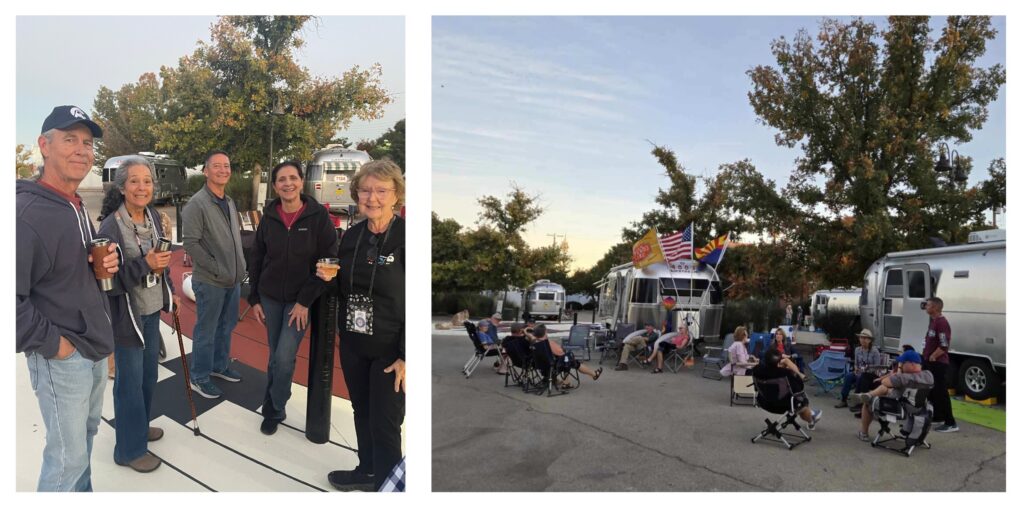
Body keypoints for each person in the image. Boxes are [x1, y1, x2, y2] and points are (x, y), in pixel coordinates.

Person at [16, 105, 120, 491]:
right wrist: (58, 347)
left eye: (88, 143)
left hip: (92, 347)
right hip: (64, 356)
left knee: (85, 440)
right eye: (70, 139)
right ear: (44, 146)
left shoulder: (73, 202)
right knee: (67, 459)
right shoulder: (24, 213)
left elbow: (66, 269)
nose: (82, 149)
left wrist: (102, 264)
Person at [320, 160, 405, 491]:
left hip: (390, 350)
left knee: (385, 423)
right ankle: (368, 470)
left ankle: (388, 487)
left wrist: (406, 355)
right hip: (355, 343)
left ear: (396, 194)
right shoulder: (352, 236)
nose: (372, 198)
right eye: (365, 190)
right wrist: (327, 279)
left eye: (381, 190)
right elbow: (342, 289)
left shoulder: (407, 238)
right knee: (362, 411)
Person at [97, 157, 180, 473]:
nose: (142, 187)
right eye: (134, 181)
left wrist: (170, 291)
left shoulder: (153, 217)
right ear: (121, 187)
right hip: (126, 318)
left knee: (147, 378)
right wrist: (145, 264)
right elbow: (108, 283)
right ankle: (128, 451)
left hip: (151, 311)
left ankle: (139, 428)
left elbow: (162, 259)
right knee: (129, 384)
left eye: (147, 181)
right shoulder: (111, 227)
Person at [247, 161, 338, 435]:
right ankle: (273, 405)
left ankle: (274, 407)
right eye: (281, 180)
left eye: (293, 178)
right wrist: (254, 298)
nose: (288, 183)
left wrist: (305, 301)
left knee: (284, 357)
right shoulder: (269, 217)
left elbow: (328, 262)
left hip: (300, 301)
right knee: (275, 356)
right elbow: (257, 258)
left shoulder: (318, 217)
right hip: (270, 297)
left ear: (301, 181)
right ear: (275, 186)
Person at [181, 150, 247, 399]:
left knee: (226, 326)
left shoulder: (228, 201)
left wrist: (238, 267)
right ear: (205, 171)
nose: (223, 170)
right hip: (211, 281)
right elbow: (191, 243)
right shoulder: (197, 204)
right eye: (216, 166)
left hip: (232, 279)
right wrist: (217, 268)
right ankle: (199, 377)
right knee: (206, 331)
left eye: (226, 165)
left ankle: (219, 366)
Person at [850, 350, 934, 441]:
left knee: (867, 403)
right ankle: (867, 395)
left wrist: (899, 371)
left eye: (902, 363)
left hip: (899, 408)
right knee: (885, 390)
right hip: (918, 409)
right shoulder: (928, 375)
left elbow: (884, 382)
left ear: (912, 364)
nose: (900, 365)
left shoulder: (904, 377)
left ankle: (863, 433)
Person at [752, 349, 823, 430]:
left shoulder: (756, 370)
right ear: (779, 362)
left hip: (764, 402)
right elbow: (799, 388)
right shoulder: (785, 373)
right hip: (782, 405)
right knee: (801, 401)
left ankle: (812, 414)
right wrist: (794, 373)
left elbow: (756, 387)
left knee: (797, 400)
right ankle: (811, 419)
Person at [922, 297, 958, 432]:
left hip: (938, 363)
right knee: (932, 391)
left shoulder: (942, 323)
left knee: (941, 392)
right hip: (929, 362)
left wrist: (933, 356)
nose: (925, 306)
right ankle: (938, 416)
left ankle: (951, 423)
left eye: (928, 305)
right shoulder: (933, 321)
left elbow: (944, 345)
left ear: (935, 307)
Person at [536, 324, 602, 385]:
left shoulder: (535, 343)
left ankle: (566, 381)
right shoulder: (547, 344)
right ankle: (593, 374)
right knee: (569, 359)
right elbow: (561, 352)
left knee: (567, 359)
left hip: (542, 368)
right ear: (545, 332)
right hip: (553, 366)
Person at [835, 329, 882, 410]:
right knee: (848, 376)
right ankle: (844, 399)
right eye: (861, 338)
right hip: (859, 371)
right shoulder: (857, 350)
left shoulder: (875, 351)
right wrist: (856, 368)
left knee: (861, 377)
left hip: (870, 374)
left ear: (870, 340)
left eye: (865, 338)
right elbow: (856, 363)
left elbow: (877, 367)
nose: (862, 340)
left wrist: (866, 370)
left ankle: (858, 402)